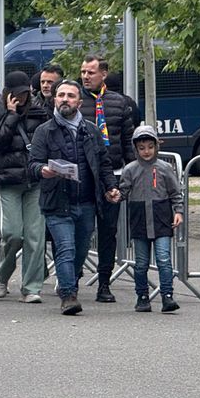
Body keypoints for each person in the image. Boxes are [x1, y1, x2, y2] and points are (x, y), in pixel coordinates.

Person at [28, 80, 120, 316]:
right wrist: (42, 170)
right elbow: (32, 165)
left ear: (79, 102)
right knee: (65, 248)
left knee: (79, 251)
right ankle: (68, 296)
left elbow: (104, 162)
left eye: (70, 95)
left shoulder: (91, 130)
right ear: (54, 100)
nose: (65, 99)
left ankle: (71, 284)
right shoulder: (44, 131)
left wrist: (111, 187)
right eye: (61, 95)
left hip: (86, 202)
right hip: (57, 202)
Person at [0, 71, 52, 303]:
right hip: (8, 180)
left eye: (26, 92)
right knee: (12, 233)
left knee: (35, 236)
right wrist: (12, 116)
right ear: (9, 94)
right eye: (18, 93)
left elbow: (48, 141)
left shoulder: (40, 112)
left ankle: (31, 287)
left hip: (34, 180)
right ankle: (1, 274)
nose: (23, 97)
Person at [78, 55, 139, 303]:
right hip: (83, 175)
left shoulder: (119, 103)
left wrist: (131, 172)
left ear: (103, 74)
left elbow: (127, 141)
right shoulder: (76, 101)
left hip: (111, 175)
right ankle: (71, 277)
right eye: (83, 72)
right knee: (81, 231)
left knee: (108, 232)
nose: (85, 76)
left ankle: (104, 282)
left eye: (90, 72)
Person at [119, 125, 182, 313]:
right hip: (139, 220)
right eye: (142, 148)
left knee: (164, 259)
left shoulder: (164, 168)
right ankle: (142, 296)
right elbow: (123, 191)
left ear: (156, 146)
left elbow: (175, 192)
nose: (146, 151)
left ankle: (167, 296)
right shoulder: (130, 170)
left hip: (161, 218)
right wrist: (114, 195)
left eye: (150, 147)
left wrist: (178, 211)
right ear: (136, 149)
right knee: (141, 262)